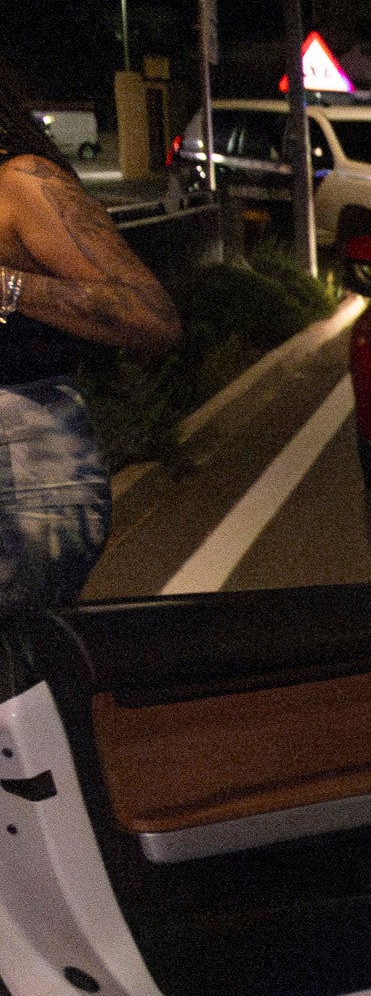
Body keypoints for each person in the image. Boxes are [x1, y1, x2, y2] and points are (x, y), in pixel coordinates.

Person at [0, 66, 183, 616]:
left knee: (22, 687)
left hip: (23, 476)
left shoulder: (22, 183)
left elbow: (151, 315)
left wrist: (7, 286)